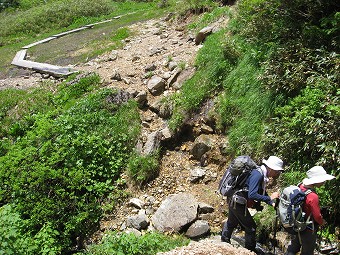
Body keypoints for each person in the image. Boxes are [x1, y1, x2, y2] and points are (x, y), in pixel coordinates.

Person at [221, 156, 284, 253]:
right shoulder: (258, 175)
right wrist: (270, 198)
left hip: (233, 198)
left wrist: (271, 202)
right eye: (277, 171)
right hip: (238, 202)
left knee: (232, 222)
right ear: (271, 168)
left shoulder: (260, 173)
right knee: (251, 228)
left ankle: (224, 243)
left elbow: (261, 191)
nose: (277, 174)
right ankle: (249, 251)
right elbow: (253, 194)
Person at [286, 166, 335, 255]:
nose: (324, 182)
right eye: (323, 180)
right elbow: (317, 216)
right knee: (307, 252)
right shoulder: (313, 196)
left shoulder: (300, 186)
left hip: (296, 223)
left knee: (293, 248)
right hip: (308, 228)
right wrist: (322, 222)